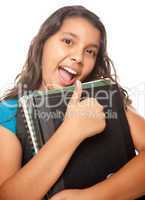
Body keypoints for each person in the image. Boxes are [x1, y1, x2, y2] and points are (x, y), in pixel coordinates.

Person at [0, 5, 145, 200]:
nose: (78, 57)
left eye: (90, 51)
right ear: (41, 43)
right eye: (68, 41)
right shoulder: (8, 113)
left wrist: (94, 197)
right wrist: (72, 131)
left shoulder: (106, 98)